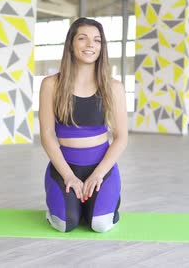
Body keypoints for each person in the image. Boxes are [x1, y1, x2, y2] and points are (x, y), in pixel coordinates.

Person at [39, 17, 128, 233]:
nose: (91, 45)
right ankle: (65, 205)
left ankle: (101, 202)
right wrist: (68, 175)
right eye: (83, 38)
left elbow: (121, 138)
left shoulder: (113, 87)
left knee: (100, 224)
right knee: (65, 224)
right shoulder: (51, 84)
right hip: (64, 169)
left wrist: (98, 174)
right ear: (71, 44)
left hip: (100, 170)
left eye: (97, 40)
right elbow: (47, 135)